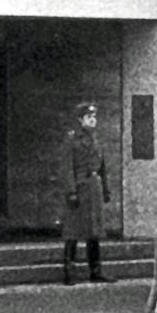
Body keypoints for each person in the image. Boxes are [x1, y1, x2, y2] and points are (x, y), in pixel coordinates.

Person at [58, 101, 109, 284]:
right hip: (79, 189)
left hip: (94, 187)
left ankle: (95, 271)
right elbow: (67, 168)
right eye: (89, 117)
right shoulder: (72, 140)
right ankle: (69, 271)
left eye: (94, 117)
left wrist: (105, 189)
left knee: (94, 232)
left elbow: (102, 166)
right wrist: (71, 191)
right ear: (80, 120)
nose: (93, 120)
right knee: (72, 232)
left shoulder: (96, 139)